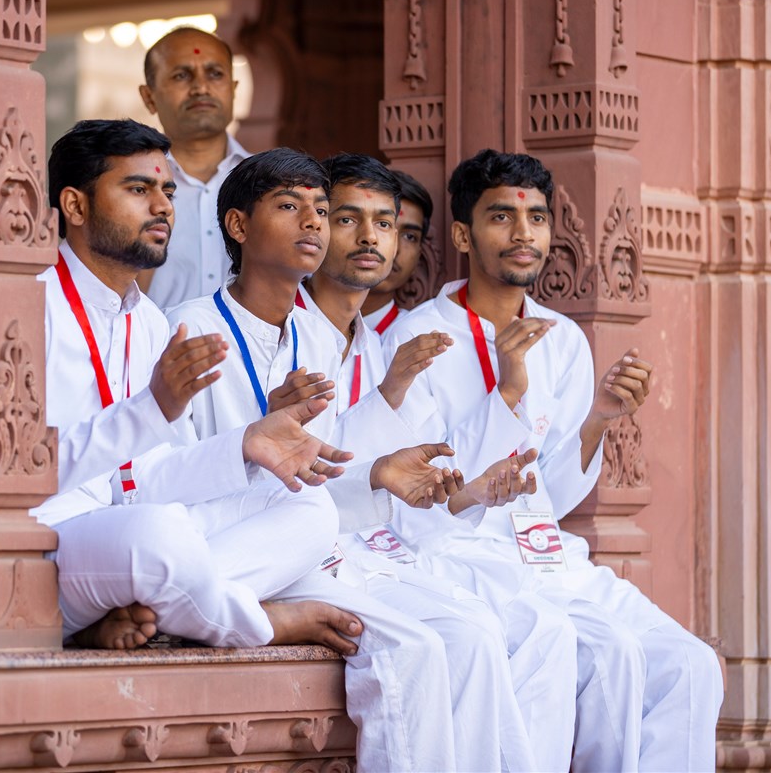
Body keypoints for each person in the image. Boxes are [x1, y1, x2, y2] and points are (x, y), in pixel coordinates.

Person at [168, 148, 542, 772]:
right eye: (294, 208)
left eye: (320, 210)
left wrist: (392, 470)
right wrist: (260, 436)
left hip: (318, 543)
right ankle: (220, 607)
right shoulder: (188, 327)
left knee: (467, 635)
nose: (313, 223)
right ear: (237, 226)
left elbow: (332, 466)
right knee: (418, 640)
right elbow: (173, 473)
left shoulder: (313, 338)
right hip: (240, 545)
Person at [384, 148, 725, 771]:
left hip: (548, 551)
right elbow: (427, 490)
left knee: (692, 665)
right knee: (614, 652)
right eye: (501, 218)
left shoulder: (562, 337)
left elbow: (554, 495)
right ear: (463, 234)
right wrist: (507, 391)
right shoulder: (416, 335)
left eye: (538, 218)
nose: (524, 233)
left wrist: (598, 418)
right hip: (462, 555)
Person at [293, 153, 584, 771]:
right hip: (319, 549)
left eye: (387, 223)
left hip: (402, 544)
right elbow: (292, 470)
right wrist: (390, 438)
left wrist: (464, 488)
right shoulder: (283, 332)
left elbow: (422, 483)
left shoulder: (378, 344)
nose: (373, 238)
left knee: (543, 632)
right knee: (460, 638)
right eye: (346, 218)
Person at [34, 117, 364, 655]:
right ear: (75, 207)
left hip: (132, 528)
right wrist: (151, 409)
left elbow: (144, 481)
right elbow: (24, 474)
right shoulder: (31, 305)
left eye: (166, 191)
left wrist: (245, 444)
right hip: (52, 540)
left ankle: (145, 613)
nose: (164, 206)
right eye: (138, 189)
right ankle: (260, 623)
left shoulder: (147, 321)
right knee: (158, 537)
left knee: (308, 508)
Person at [136, 26, 248, 308]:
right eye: (182, 75)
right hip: (156, 351)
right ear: (149, 97)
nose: (201, 87)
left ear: (233, 90)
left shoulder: (269, 184)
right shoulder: (130, 188)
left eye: (215, 74)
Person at [359, 168, 431, 334]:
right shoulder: (293, 316)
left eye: (409, 236)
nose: (394, 248)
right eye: (383, 224)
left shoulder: (417, 338)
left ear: (419, 256)